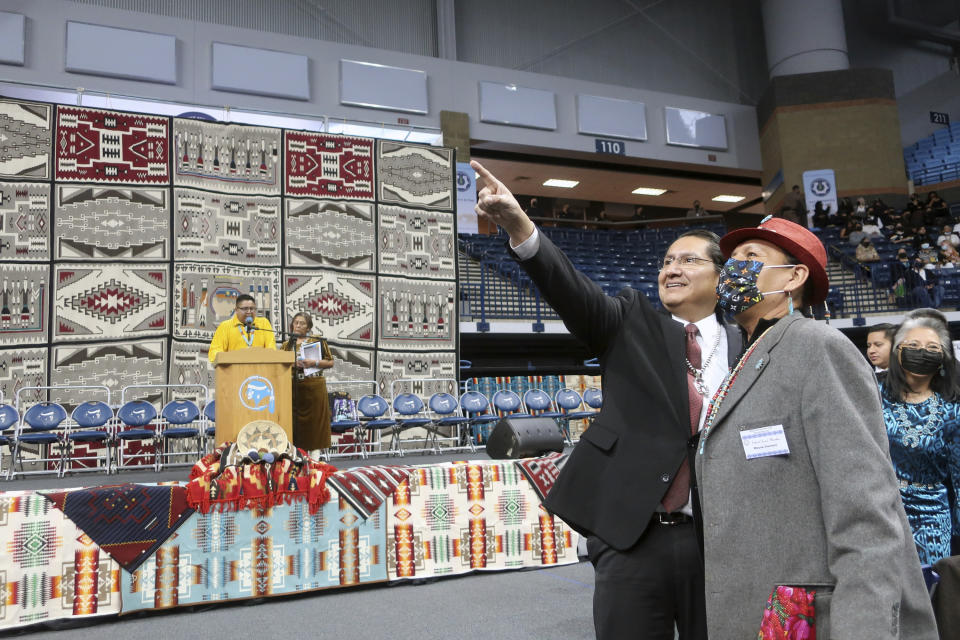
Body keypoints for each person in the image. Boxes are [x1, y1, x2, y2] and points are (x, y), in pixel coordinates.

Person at [471, 159, 741, 640]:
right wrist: (519, 225)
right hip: (633, 536)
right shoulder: (630, 321)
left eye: (688, 260)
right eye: (666, 262)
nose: (672, 269)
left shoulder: (747, 345)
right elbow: (570, 290)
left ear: (722, 276)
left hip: (719, 539)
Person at [695, 216, 937, 638]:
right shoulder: (751, 355)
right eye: (731, 259)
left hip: (808, 616)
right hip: (763, 607)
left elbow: (864, 509)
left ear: (794, 276)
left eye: (751, 257)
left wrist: (865, 628)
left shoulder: (817, 346)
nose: (733, 268)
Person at [880, 309, 960, 565]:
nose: (922, 351)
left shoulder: (952, 411)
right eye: (913, 345)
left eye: (932, 347)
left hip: (933, 515)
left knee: (931, 592)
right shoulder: (873, 396)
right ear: (898, 351)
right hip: (883, 509)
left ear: (943, 359)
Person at [282, 312, 334, 455]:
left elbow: (330, 362)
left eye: (302, 323)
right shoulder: (287, 345)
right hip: (294, 389)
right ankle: (299, 456)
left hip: (314, 387)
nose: (298, 326)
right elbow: (280, 365)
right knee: (296, 425)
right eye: (296, 322)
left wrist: (314, 362)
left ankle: (315, 458)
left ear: (308, 327)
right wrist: (291, 365)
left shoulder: (317, 340)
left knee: (315, 424)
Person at [208, 293, 276, 362]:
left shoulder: (263, 323)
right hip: (234, 369)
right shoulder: (225, 326)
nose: (249, 312)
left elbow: (271, 349)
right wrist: (232, 359)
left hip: (260, 369)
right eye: (245, 309)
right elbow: (214, 352)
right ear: (236, 310)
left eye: (252, 308)